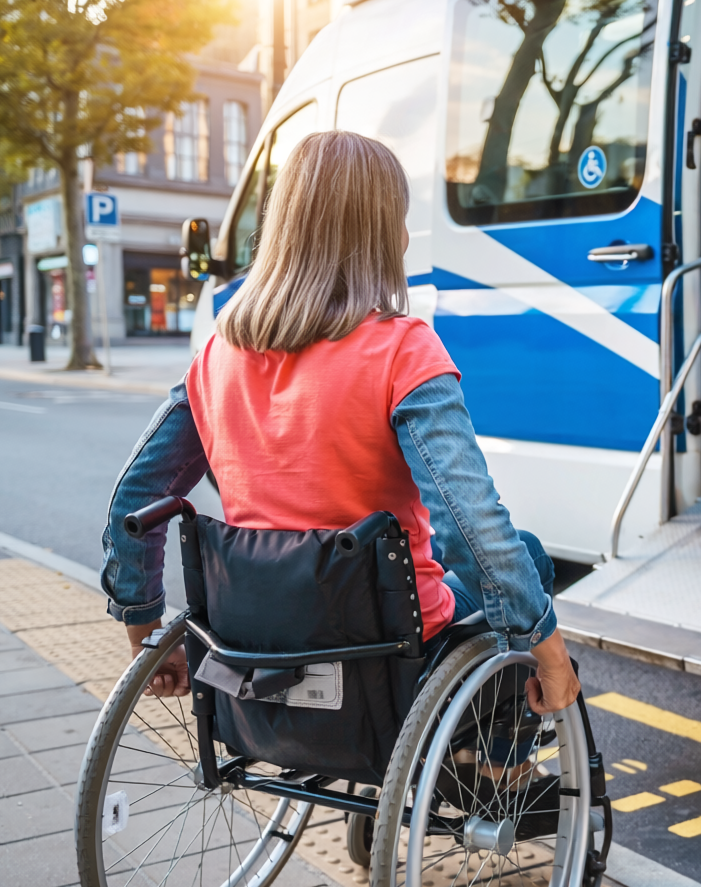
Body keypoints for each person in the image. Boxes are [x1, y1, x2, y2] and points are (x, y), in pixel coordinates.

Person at [99, 131, 581, 722]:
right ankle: (497, 763)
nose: (405, 238)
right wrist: (551, 653)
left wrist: (145, 631)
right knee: (524, 557)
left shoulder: (217, 354)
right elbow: (470, 530)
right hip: (381, 647)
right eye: (400, 220)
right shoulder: (404, 350)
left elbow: (136, 499)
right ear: (378, 234)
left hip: (254, 644)